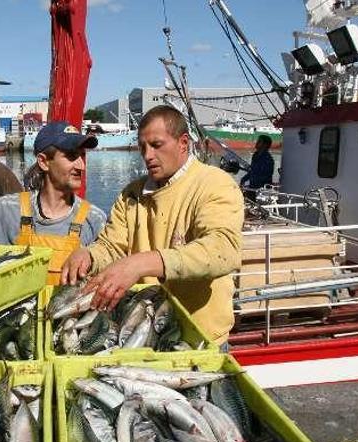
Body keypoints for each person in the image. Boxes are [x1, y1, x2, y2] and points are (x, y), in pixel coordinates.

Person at [61, 105, 244, 346]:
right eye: (142, 147)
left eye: (156, 145)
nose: (147, 155)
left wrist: (141, 263)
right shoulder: (132, 194)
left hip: (199, 338)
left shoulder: (214, 184)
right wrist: (89, 255)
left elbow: (223, 251)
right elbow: (112, 246)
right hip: (143, 333)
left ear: (183, 143)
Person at [0, 121, 108, 284]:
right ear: (44, 162)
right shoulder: (6, 210)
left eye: (82, 156)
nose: (81, 166)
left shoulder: (95, 219)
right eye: (71, 156)